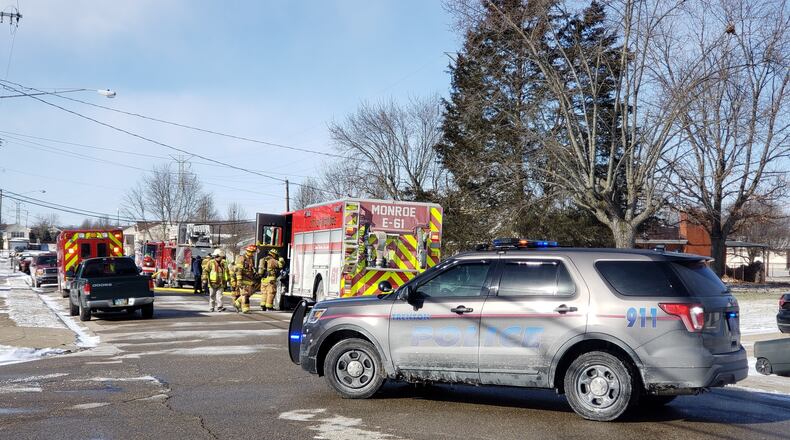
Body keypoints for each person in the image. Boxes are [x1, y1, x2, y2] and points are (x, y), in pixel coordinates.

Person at [234, 244, 258, 314]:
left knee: (249, 293)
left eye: (253, 252)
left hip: (249, 279)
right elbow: (239, 270)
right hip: (242, 278)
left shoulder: (251, 259)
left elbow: (251, 269)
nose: (252, 253)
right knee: (245, 294)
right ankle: (245, 309)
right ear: (247, 251)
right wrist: (239, 280)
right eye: (251, 252)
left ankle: (237, 302)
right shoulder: (241, 258)